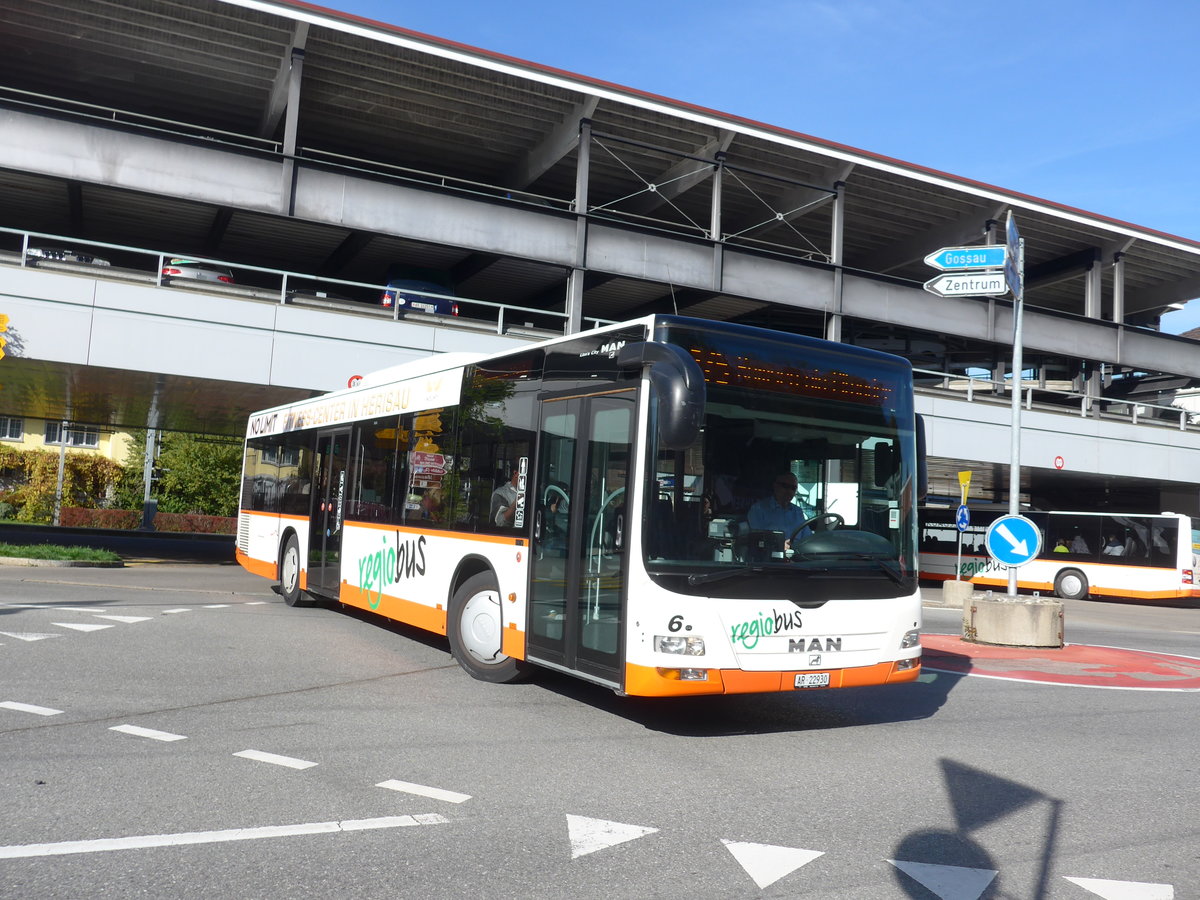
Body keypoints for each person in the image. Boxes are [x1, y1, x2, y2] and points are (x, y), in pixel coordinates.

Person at [747, 472, 813, 548]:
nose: (789, 491)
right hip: (768, 556)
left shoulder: (797, 511)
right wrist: (779, 545)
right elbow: (756, 539)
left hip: (797, 555)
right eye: (785, 486)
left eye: (793, 488)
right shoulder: (758, 509)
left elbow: (808, 537)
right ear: (775, 486)